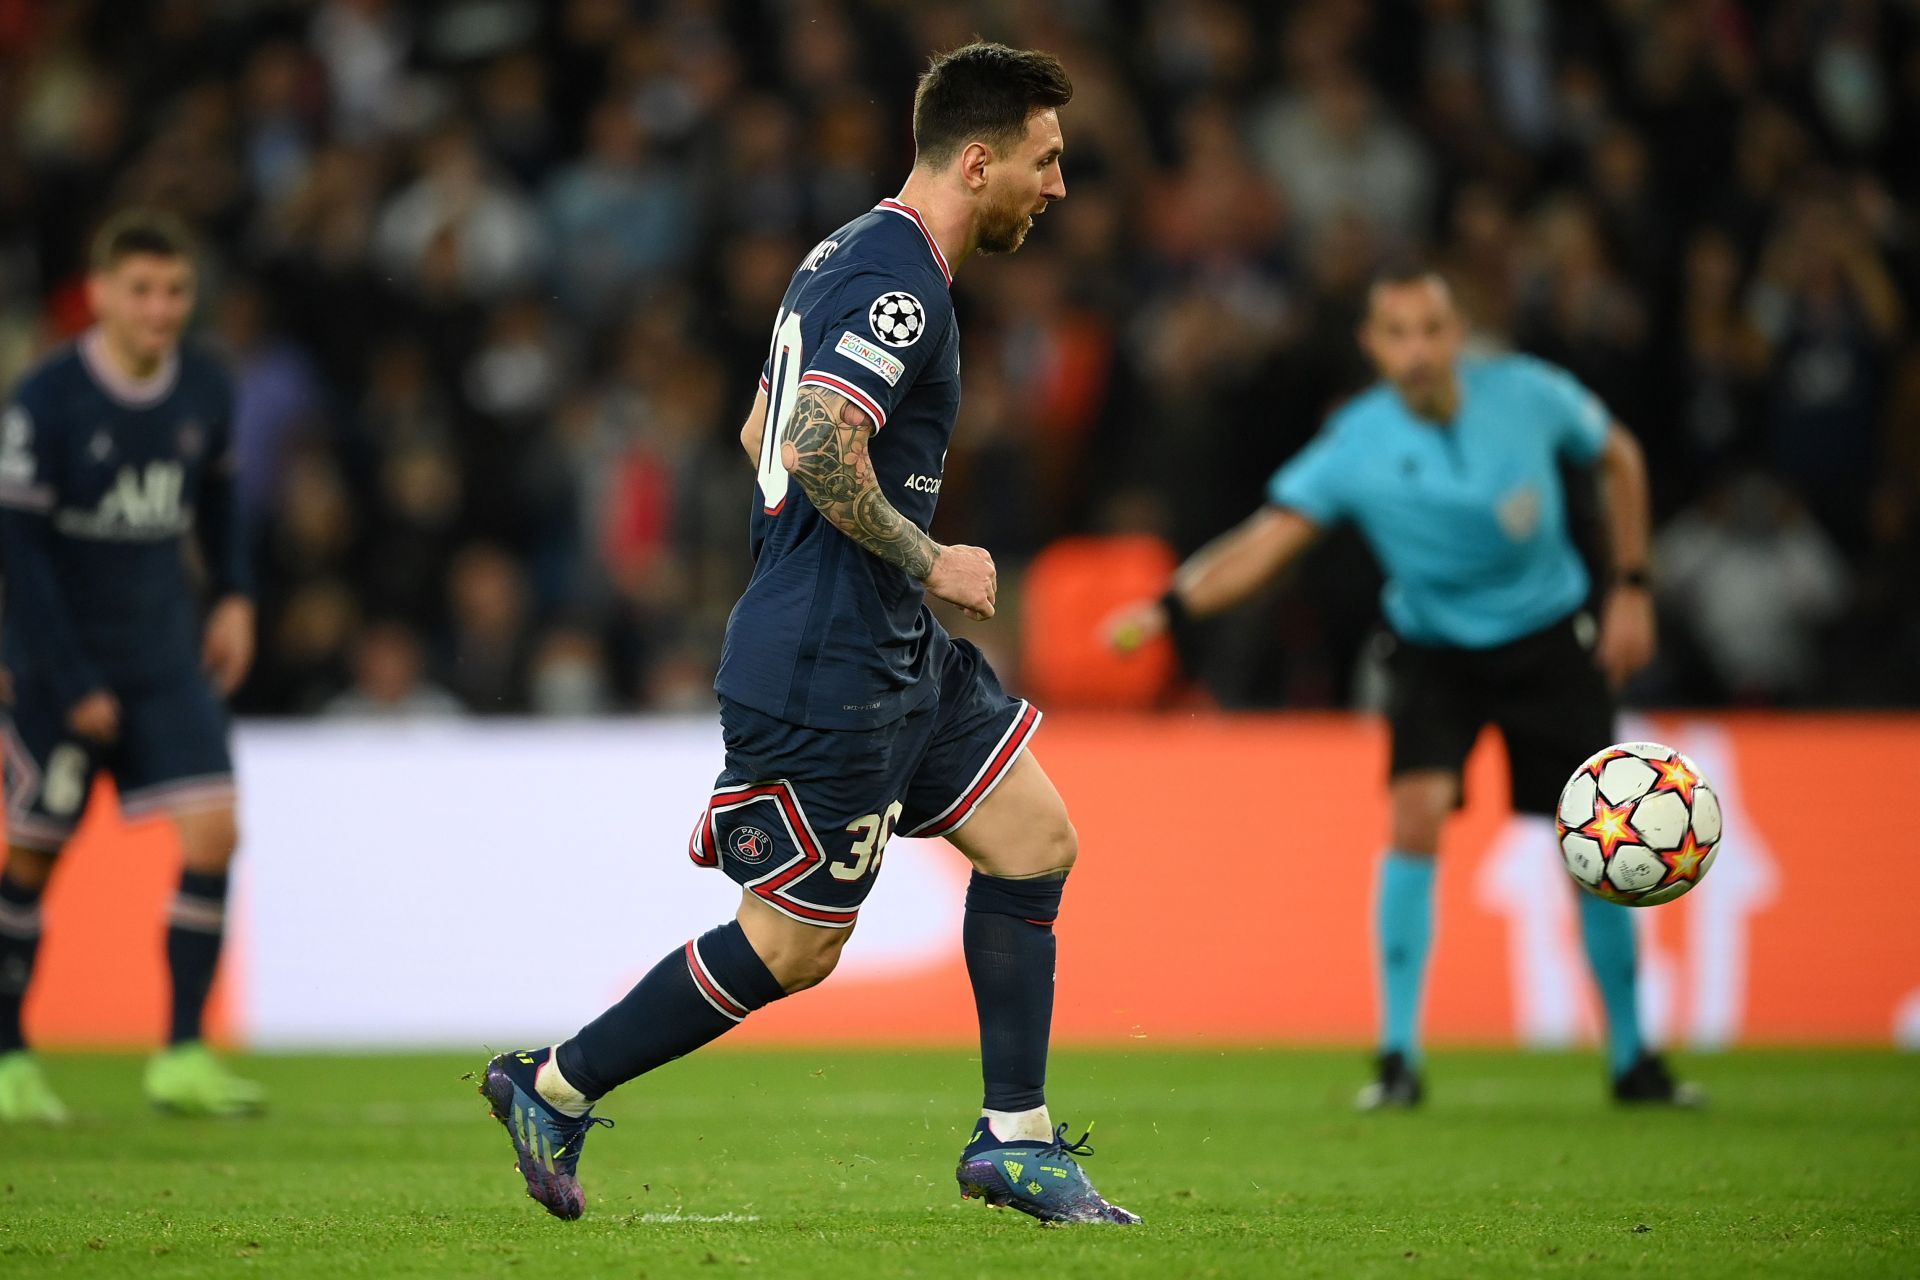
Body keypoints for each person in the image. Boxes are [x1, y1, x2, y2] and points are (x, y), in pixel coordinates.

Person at [479, 43, 1138, 1227]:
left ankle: (1016, 1138)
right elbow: (814, 441)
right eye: (1044, 162)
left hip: (890, 651)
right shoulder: (901, 281)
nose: (1058, 187)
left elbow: (756, 429)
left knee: (1034, 836)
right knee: (790, 949)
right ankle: (553, 1080)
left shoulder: (850, 249)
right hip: (829, 666)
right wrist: (928, 556)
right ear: (978, 160)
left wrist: (857, 558)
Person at [1107, 267, 1699, 1109]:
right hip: (1433, 650)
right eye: (1398, 333)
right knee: (1414, 814)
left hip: (1551, 641)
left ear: (1457, 334)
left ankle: (1634, 1061)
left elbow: (1621, 457)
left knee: (1594, 844)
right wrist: (1170, 605)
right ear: (1372, 345)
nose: (1417, 350)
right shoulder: (1356, 443)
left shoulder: (1528, 393)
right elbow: (1268, 541)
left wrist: (1633, 586)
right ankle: (1397, 1059)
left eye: (1431, 330)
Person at [0, 211, 262, 1121]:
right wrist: (67, 681)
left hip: (164, 655)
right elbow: (20, 555)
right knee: (31, 858)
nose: (160, 309)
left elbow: (223, 499)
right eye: (142, 291)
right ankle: (8, 1061)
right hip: (54, 664)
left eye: (176, 292)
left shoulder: (203, 388)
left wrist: (233, 596)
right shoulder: (46, 401)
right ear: (102, 293)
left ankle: (183, 1054)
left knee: (215, 834)